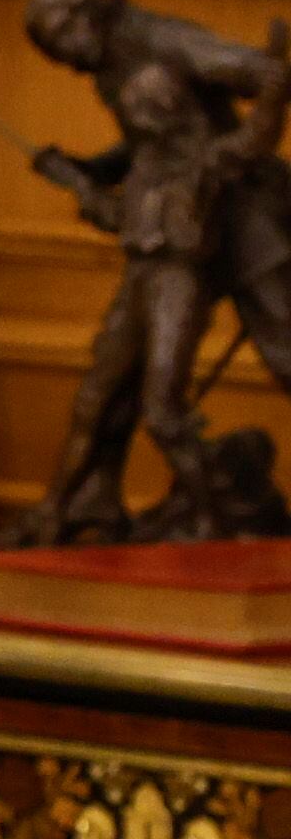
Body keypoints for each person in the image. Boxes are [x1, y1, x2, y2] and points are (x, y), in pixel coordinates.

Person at [20, 43, 291, 541]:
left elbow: (256, 138)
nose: (142, 126)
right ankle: (55, 510)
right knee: (94, 400)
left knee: (164, 408)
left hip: (177, 286)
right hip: (139, 282)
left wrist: (273, 93)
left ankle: (211, 515)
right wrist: (75, 183)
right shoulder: (145, 168)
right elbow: (117, 219)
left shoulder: (207, 161)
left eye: (148, 117)